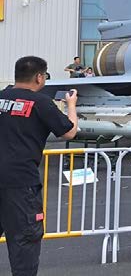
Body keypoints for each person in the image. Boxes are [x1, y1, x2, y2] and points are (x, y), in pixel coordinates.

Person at [0, 56, 79, 276]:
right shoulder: (41, 102)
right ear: (39, 77)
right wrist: (71, 105)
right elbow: (69, 131)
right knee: (24, 242)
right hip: (20, 184)